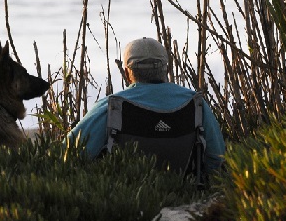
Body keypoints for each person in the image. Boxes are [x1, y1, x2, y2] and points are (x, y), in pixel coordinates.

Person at [65, 37, 225, 173]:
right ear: (167, 69)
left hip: (125, 199)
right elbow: (217, 157)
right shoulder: (195, 103)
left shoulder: (112, 107)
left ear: (127, 73)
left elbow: (68, 154)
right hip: (185, 192)